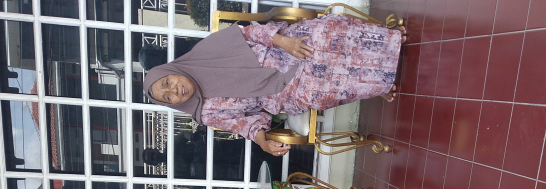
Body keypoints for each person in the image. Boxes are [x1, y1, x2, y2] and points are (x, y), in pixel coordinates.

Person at [142, 15, 404, 156]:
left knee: (325, 34)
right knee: (321, 88)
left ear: (171, 71)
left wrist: (284, 42)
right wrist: (263, 142)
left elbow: (249, 33)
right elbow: (245, 124)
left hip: (281, 48)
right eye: (168, 97)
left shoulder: (206, 50)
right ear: (172, 105)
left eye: (167, 82)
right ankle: (377, 81)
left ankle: (388, 45)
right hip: (281, 92)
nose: (173, 90)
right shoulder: (206, 113)